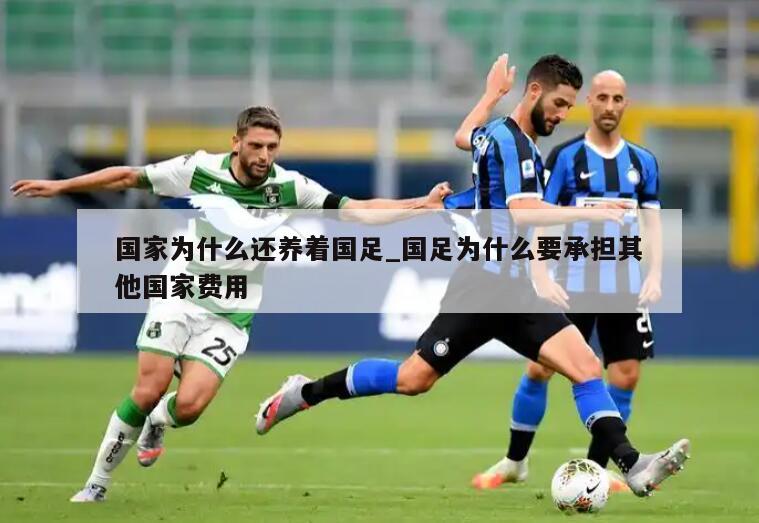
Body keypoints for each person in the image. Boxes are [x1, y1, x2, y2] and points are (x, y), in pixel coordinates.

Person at [254, 55, 689, 498]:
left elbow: (464, 136)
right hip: (482, 287)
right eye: (559, 103)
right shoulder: (516, 145)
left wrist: (490, 96)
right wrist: (593, 212)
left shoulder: (497, 133)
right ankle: (305, 392)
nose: (562, 115)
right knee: (412, 379)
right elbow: (523, 213)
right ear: (534, 92)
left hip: (517, 289)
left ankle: (633, 465)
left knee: (585, 367)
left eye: (569, 107)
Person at [11, 106, 453, 502]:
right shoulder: (200, 169)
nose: (264, 155)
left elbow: (356, 210)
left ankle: (159, 422)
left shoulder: (289, 187)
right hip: (181, 291)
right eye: (256, 145)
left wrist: (421, 204)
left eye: (272, 147)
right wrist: (61, 186)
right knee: (148, 388)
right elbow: (130, 176)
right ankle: (96, 484)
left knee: (188, 407)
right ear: (236, 142)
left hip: (231, 311)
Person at [471, 70, 663, 493]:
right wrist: (540, 272)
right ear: (589, 102)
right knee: (541, 366)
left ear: (626, 103)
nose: (609, 106)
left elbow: (652, 223)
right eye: (602, 98)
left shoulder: (643, 162)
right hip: (571, 280)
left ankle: (596, 470)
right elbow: (537, 215)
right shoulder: (564, 157)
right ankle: (515, 460)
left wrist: (654, 274)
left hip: (624, 285)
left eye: (617, 98)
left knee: (626, 374)